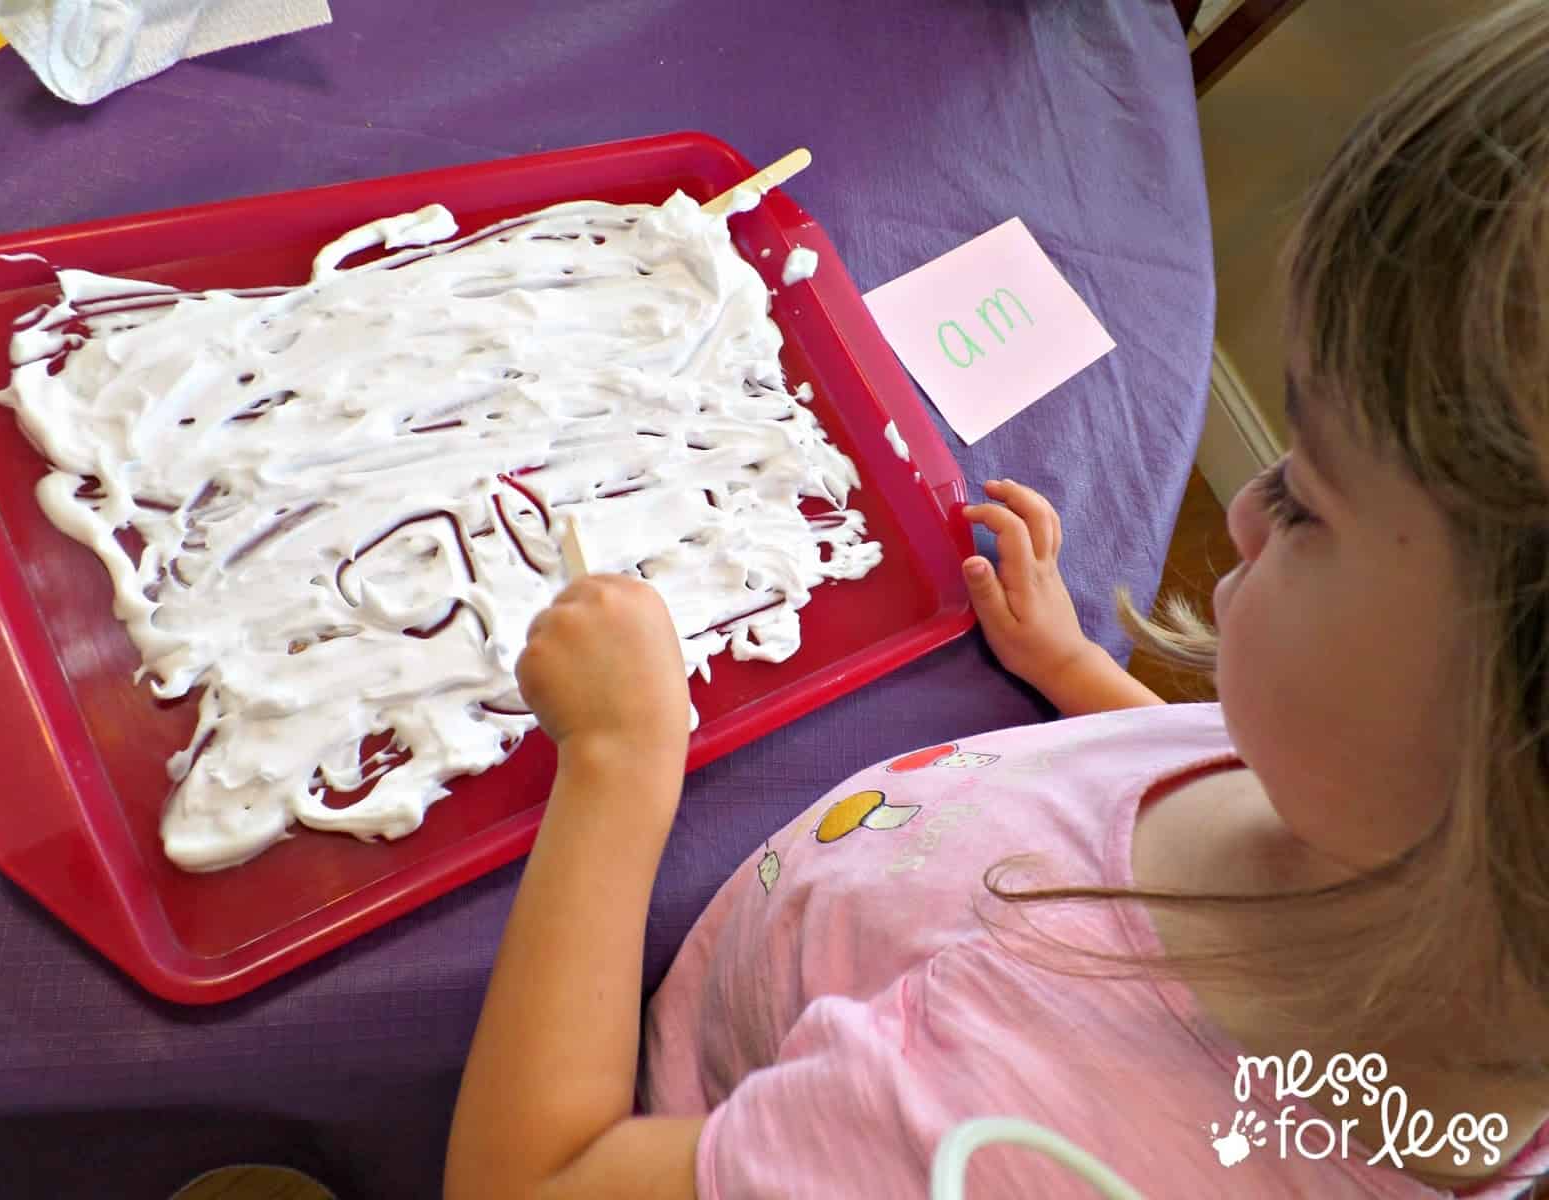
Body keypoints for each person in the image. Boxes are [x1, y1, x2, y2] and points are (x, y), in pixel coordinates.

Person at [444, 3, 1549, 1195]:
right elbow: (1262, 773)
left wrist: (620, 762)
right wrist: (1077, 674)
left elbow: (534, 1178)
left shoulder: (1001, 1146)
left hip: (689, 1098)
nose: (1239, 511)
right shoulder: (1386, 823)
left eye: (1304, 501)